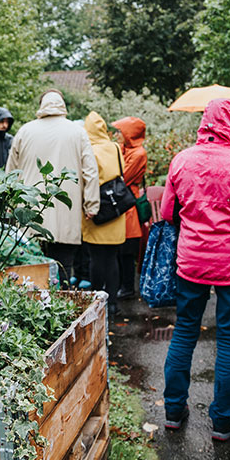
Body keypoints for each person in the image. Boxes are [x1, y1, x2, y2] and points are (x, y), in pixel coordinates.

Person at [160, 99, 230, 441]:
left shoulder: (181, 160)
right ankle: (223, 421)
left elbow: (167, 212)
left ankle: (173, 411)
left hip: (190, 261)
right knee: (228, 340)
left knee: (183, 333)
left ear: (205, 123)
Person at [6, 90, 100, 285]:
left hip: (29, 213)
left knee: (31, 268)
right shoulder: (78, 132)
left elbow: (11, 173)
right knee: (64, 267)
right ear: (62, 105)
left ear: (41, 105)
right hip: (66, 212)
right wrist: (91, 205)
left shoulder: (24, 131)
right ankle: (61, 307)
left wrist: (9, 206)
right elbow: (90, 171)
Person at [81, 111, 126, 316]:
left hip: (97, 208)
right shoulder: (115, 147)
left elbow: (88, 178)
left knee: (96, 259)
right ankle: (113, 302)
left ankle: (97, 300)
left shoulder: (89, 149)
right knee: (112, 259)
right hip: (115, 210)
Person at [113, 116, 147, 300]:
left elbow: (121, 175)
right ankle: (122, 285)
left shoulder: (138, 153)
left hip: (128, 203)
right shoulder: (125, 150)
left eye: (120, 131)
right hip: (123, 201)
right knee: (120, 248)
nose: (117, 135)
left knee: (126, 249)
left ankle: (127, 287)